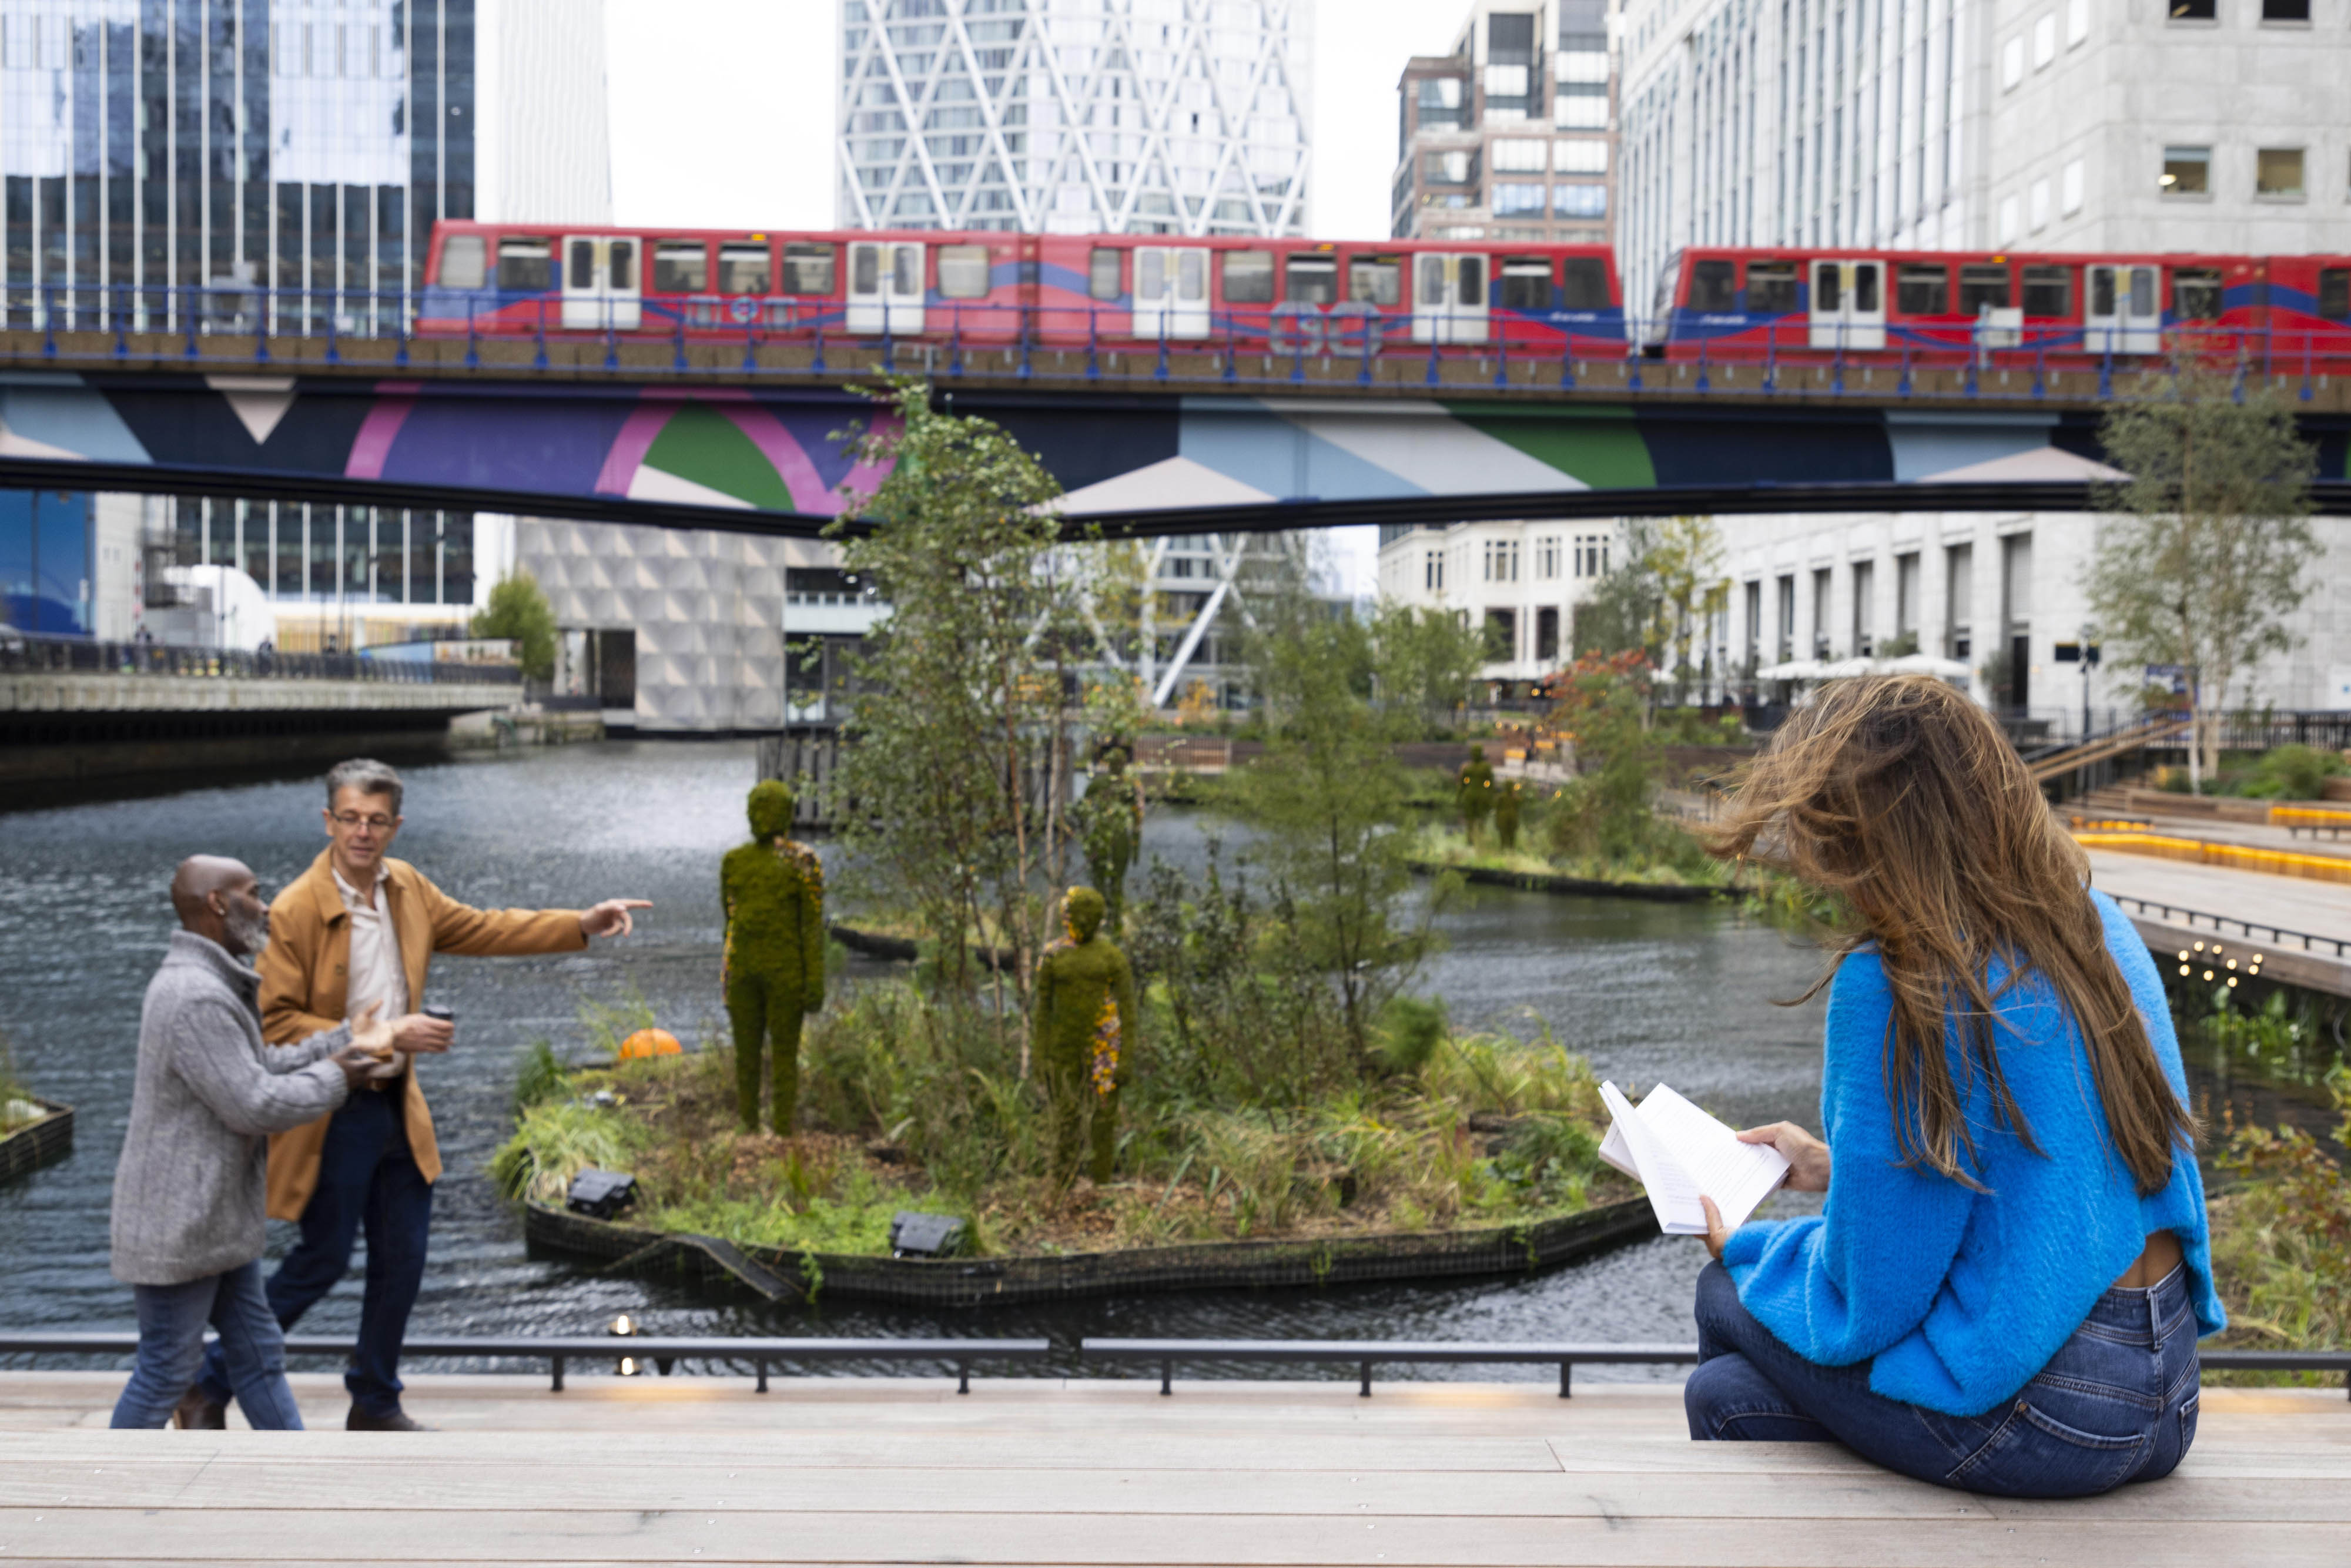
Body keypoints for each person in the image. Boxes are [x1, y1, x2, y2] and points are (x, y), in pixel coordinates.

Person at [1685, 675, 2220, 1498]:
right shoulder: (2094, 922)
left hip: (2053, 1415)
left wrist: (1743, 1246)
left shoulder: (1899, 982)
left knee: (1727, 1295)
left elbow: (1872, 1301)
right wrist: (1838, 1167)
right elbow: (2065, 1166)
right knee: (1726, 1397)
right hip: (2170, 1394)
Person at [185, 758, 650, 1433]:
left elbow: (486, 927)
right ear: (328, 821)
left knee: (404, 1259)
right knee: (321, 1261)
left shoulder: (407, 888)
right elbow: (276, 1025)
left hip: (398, 1107)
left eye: (376, 820)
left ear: (396, 826)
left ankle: (374, 1400)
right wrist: (378, 1033)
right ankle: (206, 1383)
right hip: (331, 1108)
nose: (362, 832)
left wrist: (580, 922)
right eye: (349, 818)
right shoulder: (294, 910)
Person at [110, 856, 433, 1430]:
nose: (266, 905)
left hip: (215, 1219)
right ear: (217, 903)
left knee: (259, 1355)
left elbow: (262, 1064)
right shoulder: (195, 996)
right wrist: (343, 1075)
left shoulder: (212, 982)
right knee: (166, 1369)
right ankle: (103, 1499)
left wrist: (348, 1037)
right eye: (253, 893)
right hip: (180, 1225)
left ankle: (298, 1480)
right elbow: (254, 1104)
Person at [720, 779, 826, 1135]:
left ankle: (781, 1127)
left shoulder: (802, 862)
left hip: (781, 974)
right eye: (755, 807)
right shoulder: (735, 862)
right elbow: (732, 923)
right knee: (748, 1054)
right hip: (748, 972)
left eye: (764, 808)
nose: (757, 815)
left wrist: (814, 982)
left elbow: (811, 927)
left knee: (783, 1054)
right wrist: (727, 976)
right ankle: (750, 1124)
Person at [1032, 886, 1137, 1187]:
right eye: (1070, 915)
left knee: (1103, 1118)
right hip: (1063, 1048)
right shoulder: (1052, 955)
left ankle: (1101, 1183)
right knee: (1066, 1116)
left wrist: (1125, 1059)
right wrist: (1040, 1056)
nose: (1072, 921)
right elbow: (1043, 1010)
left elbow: (1128, 1010)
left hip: (1105, 1046)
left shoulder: (1112, 957)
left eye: (1076, 915)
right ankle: (1062, 1183)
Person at [1456, 744, 1495, 842]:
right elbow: (1463, 783)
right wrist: (1459, 797)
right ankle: (1471, 840)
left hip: (1480, 795)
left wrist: (1490, 796)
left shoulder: (1485, 768)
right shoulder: (1468, 768)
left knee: (1481, 819)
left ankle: (1479, 839)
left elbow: (1490, 783)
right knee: (1470, 820)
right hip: (1471, 795)